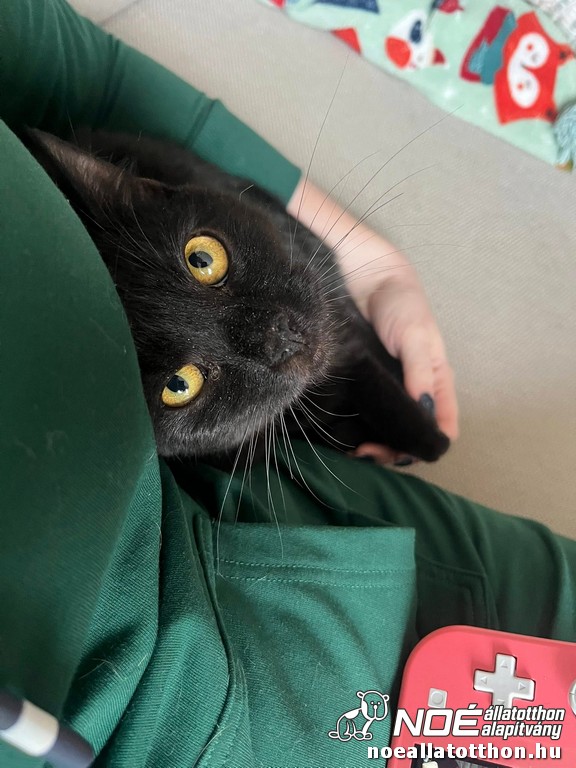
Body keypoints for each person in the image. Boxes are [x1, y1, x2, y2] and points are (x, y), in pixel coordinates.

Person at [0, 2, 574, 767]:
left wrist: (369, 260)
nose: (273, 342)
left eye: (204, 259)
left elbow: (82, 72)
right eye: (181, 383)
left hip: (287, 517)